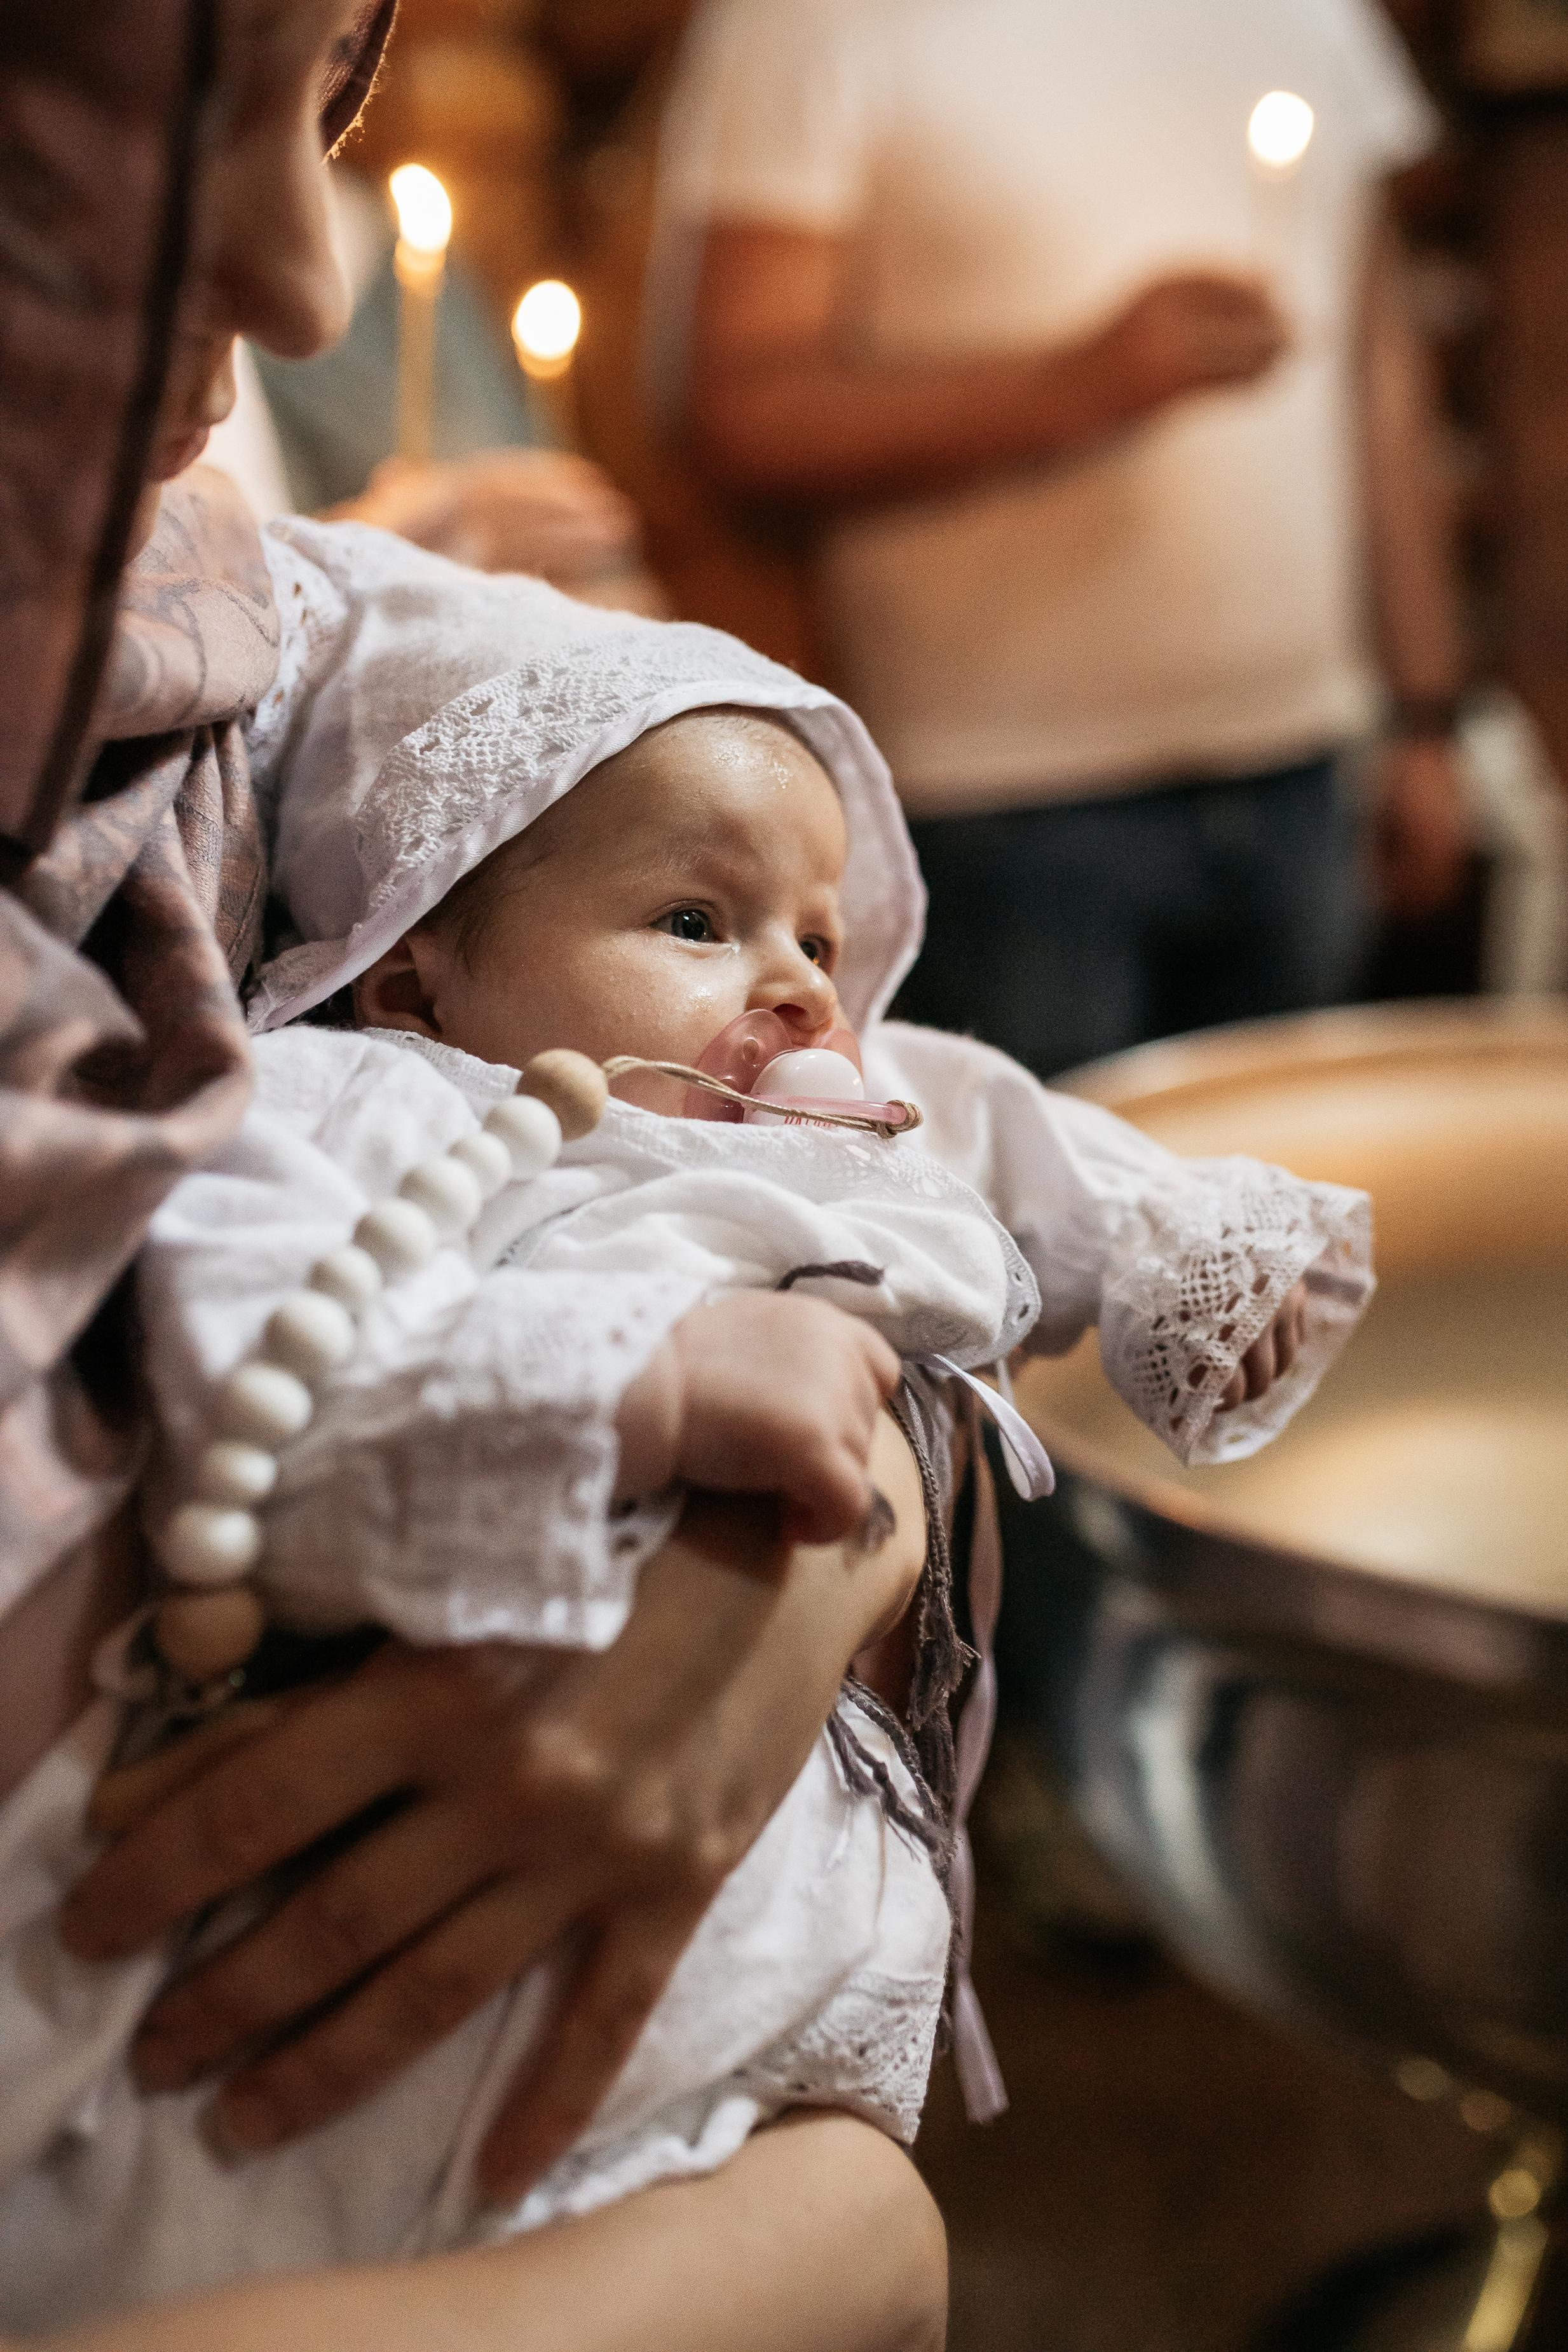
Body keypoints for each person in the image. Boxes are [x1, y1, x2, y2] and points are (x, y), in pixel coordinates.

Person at [1, 526, 1362, 2330]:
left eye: (817, 931)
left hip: (732, 1950)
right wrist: (632, 1384)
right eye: (694, 923)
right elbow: (241, 1343)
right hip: (406, 1820)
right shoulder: (385, 1106)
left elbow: (1053, 1155)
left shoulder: (862, 1116)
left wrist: (1211, 1267)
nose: (798, 984)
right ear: (416, 967)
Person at [0, 3, 948, 2343]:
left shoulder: (221, 624)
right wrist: (813, 2258)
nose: (307, 283)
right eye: (131, 105)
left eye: (331, 97)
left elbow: (834, 1116)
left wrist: (804, 1525)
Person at [652, 0, 1474, 1080]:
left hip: (1304, 771)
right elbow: (734, 412)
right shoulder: (809, 23)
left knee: (1277, 1219)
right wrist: (1087, 383)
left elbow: (1376, 375)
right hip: (995, 807)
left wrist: (1424, 710)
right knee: (1022, 1243)